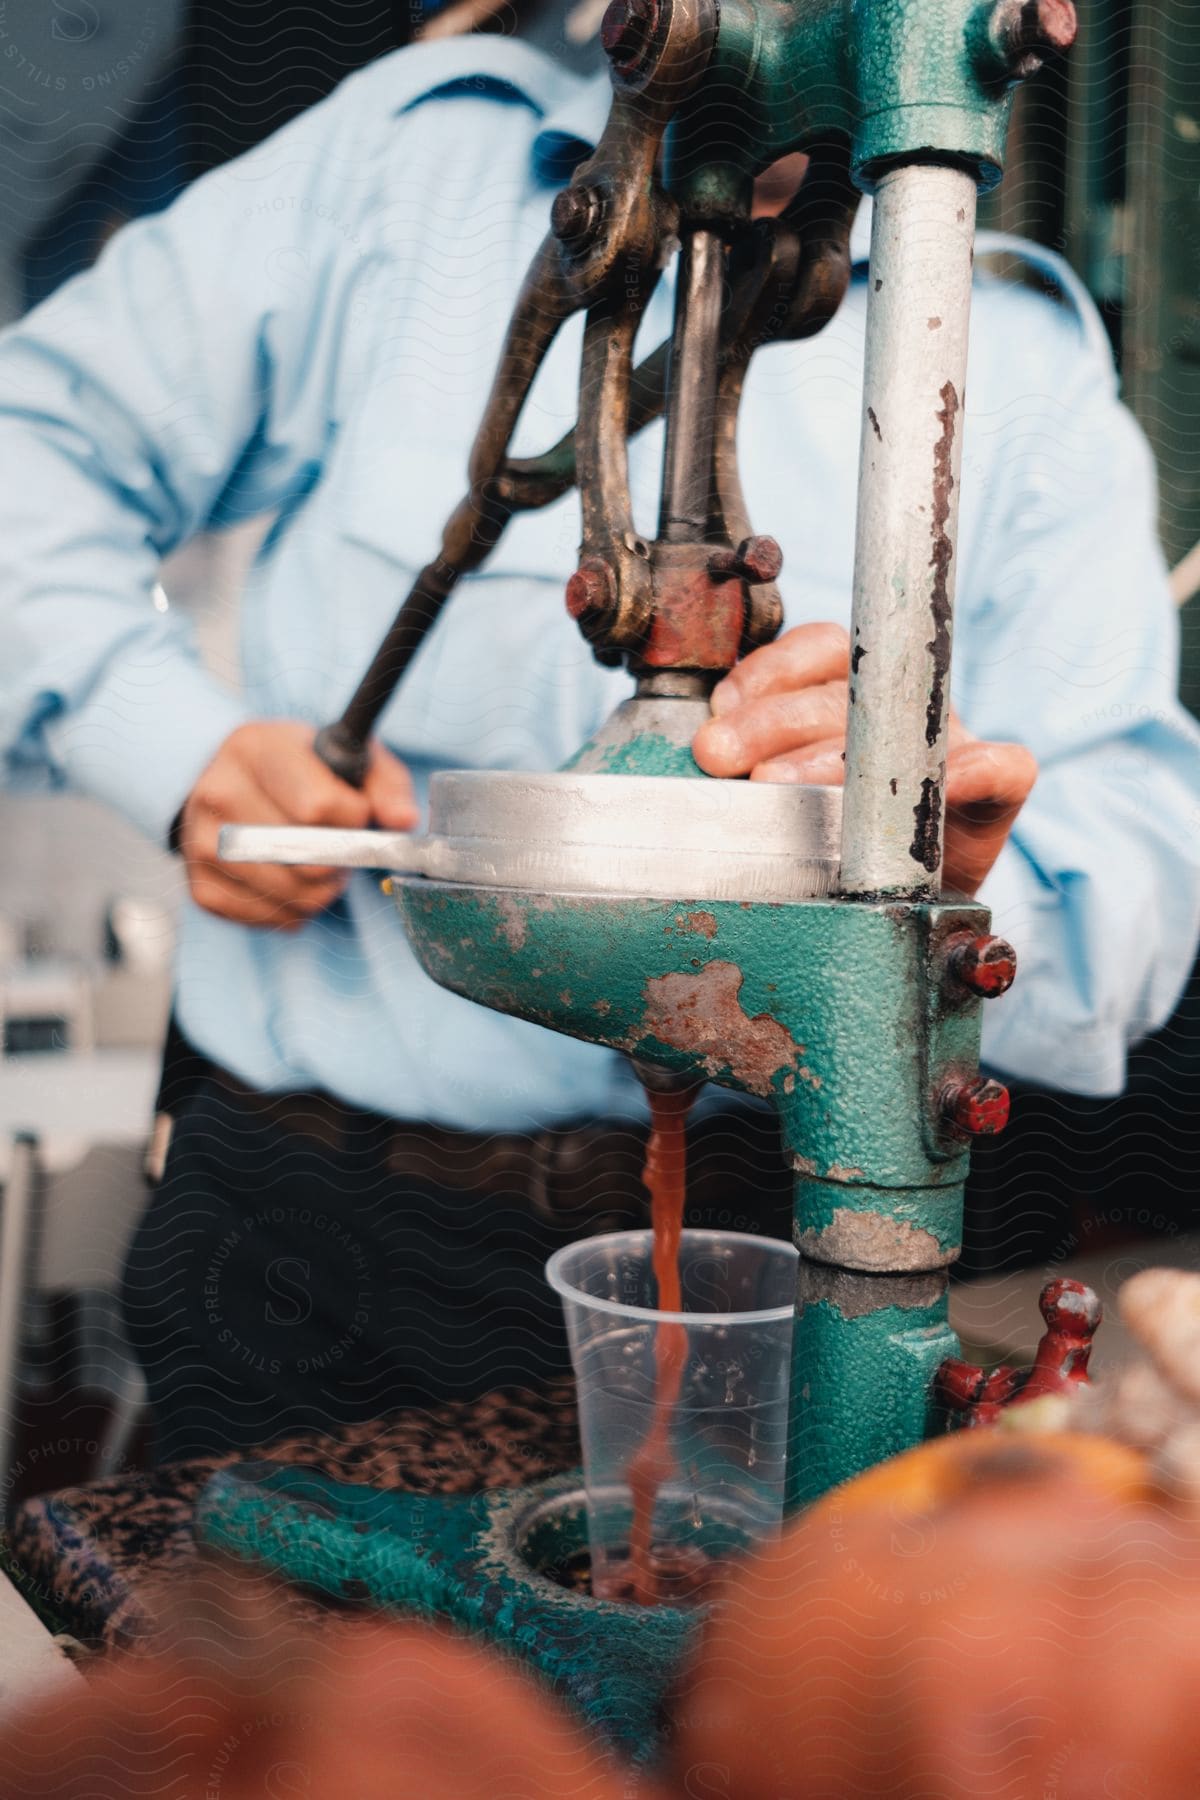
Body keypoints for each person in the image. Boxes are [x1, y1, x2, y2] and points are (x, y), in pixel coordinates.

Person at [0, 34, 1196, 1462]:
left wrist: (953, 872)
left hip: (792, 1256)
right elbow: (31, 452)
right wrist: (177, 751)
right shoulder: (408, 169)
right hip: (327, 1249)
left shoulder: (1021, 358)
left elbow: (1139, 903)